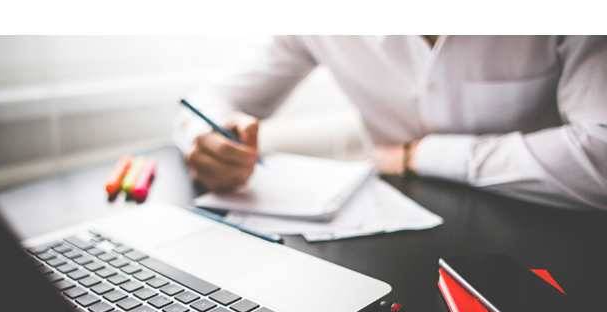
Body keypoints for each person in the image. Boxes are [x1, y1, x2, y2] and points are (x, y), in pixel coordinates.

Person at [175, 36, 607, 209]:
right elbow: (207, 101)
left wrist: (418, 154)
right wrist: (206, 138)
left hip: (545, 226)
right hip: (389, 223)